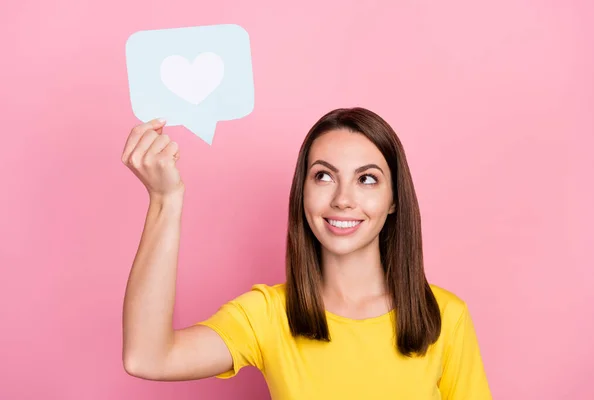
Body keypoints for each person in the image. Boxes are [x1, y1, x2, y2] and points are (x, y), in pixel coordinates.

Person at [121, 107, 493, 399]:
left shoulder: (446, 317)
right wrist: (165, 199)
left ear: (394, 199)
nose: (343, 199)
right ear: (302, 193)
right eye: (324, 176)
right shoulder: (267, 315)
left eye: (367, 179)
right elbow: (147, 357)